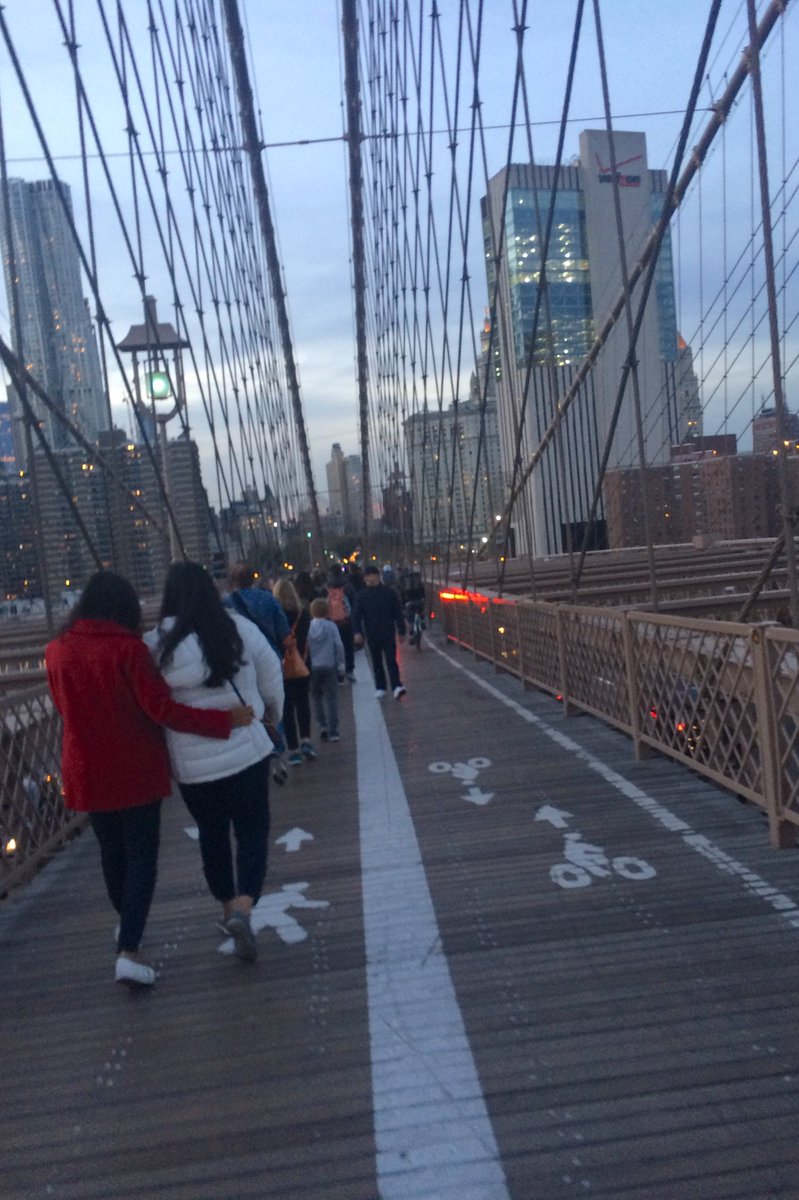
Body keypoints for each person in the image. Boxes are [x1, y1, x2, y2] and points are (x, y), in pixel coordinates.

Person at [45, 570, 253, 987]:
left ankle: (128, 927)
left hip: (86, 768)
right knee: (142, 856)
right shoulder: (130, 651)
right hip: (134, 769)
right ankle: (128, 950)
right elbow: (163, 710)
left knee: (112, 853)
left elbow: (65, 708)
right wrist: (223, 721)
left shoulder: (56, 651)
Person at [145, 561, 284, 963]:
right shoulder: (238, 627)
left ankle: (226, 909)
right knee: (253, 831)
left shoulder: (154, 645)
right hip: (247, 752)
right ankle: (244, 906)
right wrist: (271, 714)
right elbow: (271, 674)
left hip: (194, 767)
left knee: (212, 834)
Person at [272, 577, 315, 765]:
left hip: (281, 666)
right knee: (303, 702)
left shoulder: (275, 615)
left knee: (287, 708)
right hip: (301, 663)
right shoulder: (303, 614)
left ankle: (293, 749)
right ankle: (306, 740)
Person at [352, 564, 407, 699]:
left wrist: (401, 630)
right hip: (372, 633)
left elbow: (398, 612)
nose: (367, 578)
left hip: (388, 631)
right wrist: (357, 632)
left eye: (369, 575)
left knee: (391, 660)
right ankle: (380, 686)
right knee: (376, 661)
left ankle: (396, 685)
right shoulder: (362, 596)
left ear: (376, 576)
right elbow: (356, 616)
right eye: (366, 576)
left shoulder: (389, 593)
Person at [224, 562, 289, 657]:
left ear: (232, 582)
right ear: (252, 579)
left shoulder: (226, 603)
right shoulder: (269, 599)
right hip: (270, 653)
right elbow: (283, 631)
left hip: (241, 656)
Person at [308, 597, 346, 742]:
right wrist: (341, 664)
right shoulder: (331, 626)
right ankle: (334, 730)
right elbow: (339, 645)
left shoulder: (308, 627)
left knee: (316, 697)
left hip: (313, 667)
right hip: (329, 665)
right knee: (331, 698)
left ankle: (322, 725)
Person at [326, 565, 356, 680]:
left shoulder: (327, 587)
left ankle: (339, 673)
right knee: (348, 646)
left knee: (334, 647)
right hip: (346, 621)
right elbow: (354, 603)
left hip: (332, 622)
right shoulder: (347, 586)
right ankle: (350, 670)